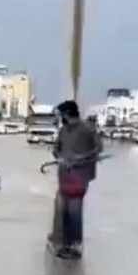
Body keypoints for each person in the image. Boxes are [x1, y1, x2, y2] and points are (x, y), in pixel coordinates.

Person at [50, 99, 102, 259]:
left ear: (68, 114)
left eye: (62, 115)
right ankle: (65, 244)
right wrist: (60, 157)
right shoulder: (63, 130)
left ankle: (76, 246)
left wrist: (81, 157)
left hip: (80, 176)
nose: (61, 118)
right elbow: (56, 149)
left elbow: (98, 148)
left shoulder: (87, 129)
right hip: (64, 175)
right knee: (64, 211)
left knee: (75, 211)